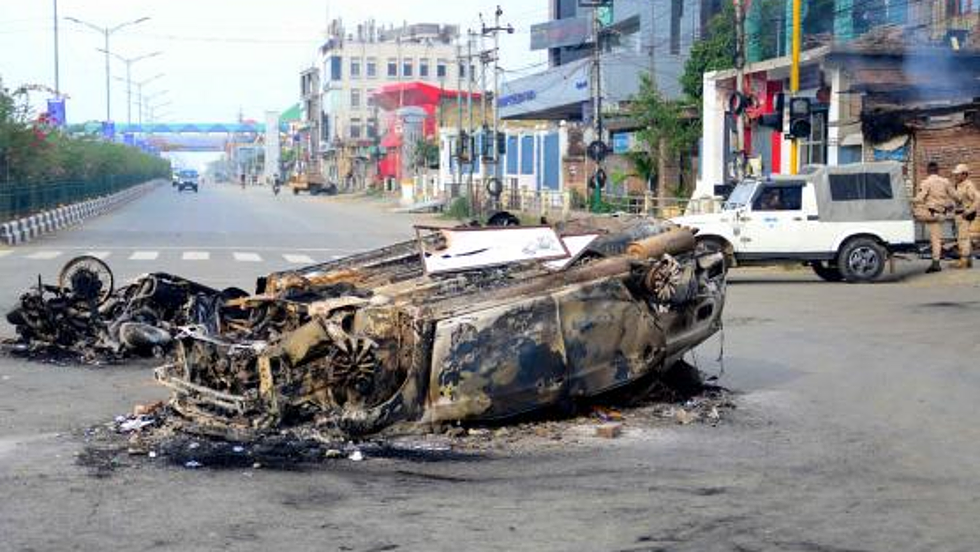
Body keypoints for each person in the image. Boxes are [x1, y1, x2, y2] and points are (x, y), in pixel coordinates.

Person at [914, 161, 956, 273]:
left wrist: (910, 201)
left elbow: (920, 198)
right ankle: (936, 263)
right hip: (942, 213)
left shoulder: (926, 182)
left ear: (928, 171)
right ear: (938, 171)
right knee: (936, 238)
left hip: (931, 213)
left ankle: (935, 264)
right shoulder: (945, 182)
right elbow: (955, 196)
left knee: (915, 212)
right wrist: (950, 205)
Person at [952, 163, 979, 269]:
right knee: (961, 237)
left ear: (964, 174)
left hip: (964, 215)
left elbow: (977, 200)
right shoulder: (959, 185)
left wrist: (968, 211)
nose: (956, 176)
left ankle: (964, 260)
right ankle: (966, 261)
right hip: (958, 215)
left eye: (958, 174)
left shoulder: (969, 185)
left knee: (964, 238)